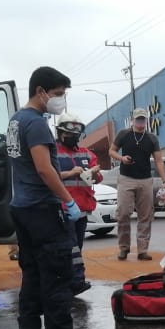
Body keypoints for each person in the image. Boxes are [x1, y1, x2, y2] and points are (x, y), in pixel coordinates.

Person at [6, 66, 94, 329]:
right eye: (57, 94)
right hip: (43, 208)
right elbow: (44, 169)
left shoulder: (16, 121)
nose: (60, 100)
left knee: (31, 273)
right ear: (40, 91)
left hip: (22, 208)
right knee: (57, 272)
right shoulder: (36, 124)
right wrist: (67, 200)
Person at [109, 108, 165, 261]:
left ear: (146, 120)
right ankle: (124, 248)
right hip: (126, 178)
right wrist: (121, 159)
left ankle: (142, 250)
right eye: (138, 119)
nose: (140, 122)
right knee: (123, 213)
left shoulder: (152, 138)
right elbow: (112, 151)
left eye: (143, 119)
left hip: (145, 180)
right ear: (133, 120)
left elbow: (159, 161)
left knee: (145, 216)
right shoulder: (124, 134)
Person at [53, 113, 102, 295]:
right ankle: (75, 282)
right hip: (63, 208)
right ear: (60, 133)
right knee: (71, 247)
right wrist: (70, 172)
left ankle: (68, 281)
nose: (72, 137)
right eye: (68, 133)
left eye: (75, 133)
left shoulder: (87, 154)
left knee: (77, 247)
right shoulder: (52, 153)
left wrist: (94, 173)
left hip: (82, 209)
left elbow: (96, 179)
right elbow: (47, 175)